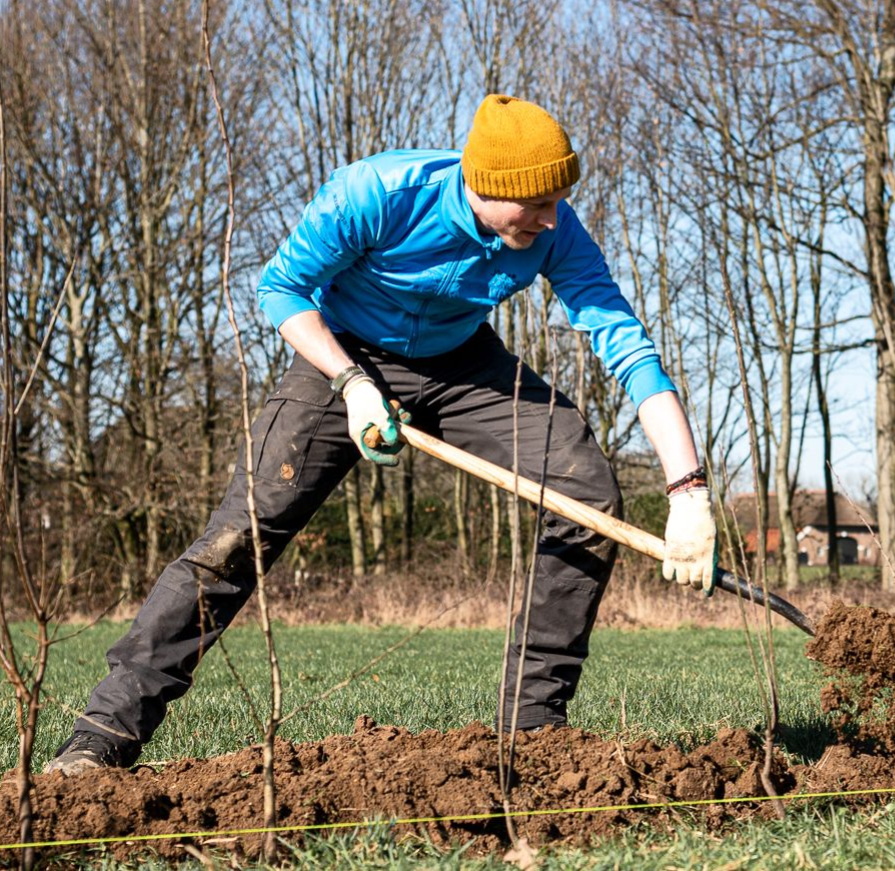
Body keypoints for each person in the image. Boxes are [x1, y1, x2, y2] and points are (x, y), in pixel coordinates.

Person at [45, 93, 717, 775]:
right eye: (538, 204)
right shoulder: (380, 191)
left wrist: (687, 490)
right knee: (241, 533)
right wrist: (351, 382)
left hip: (463, 363)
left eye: (558, 203)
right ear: (489, 186)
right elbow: (282, 290)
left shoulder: (552, 231)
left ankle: (533, 739)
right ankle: (103, 736)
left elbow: (627, 348)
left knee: (589, 498)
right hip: (341, 353)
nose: (552, 219)